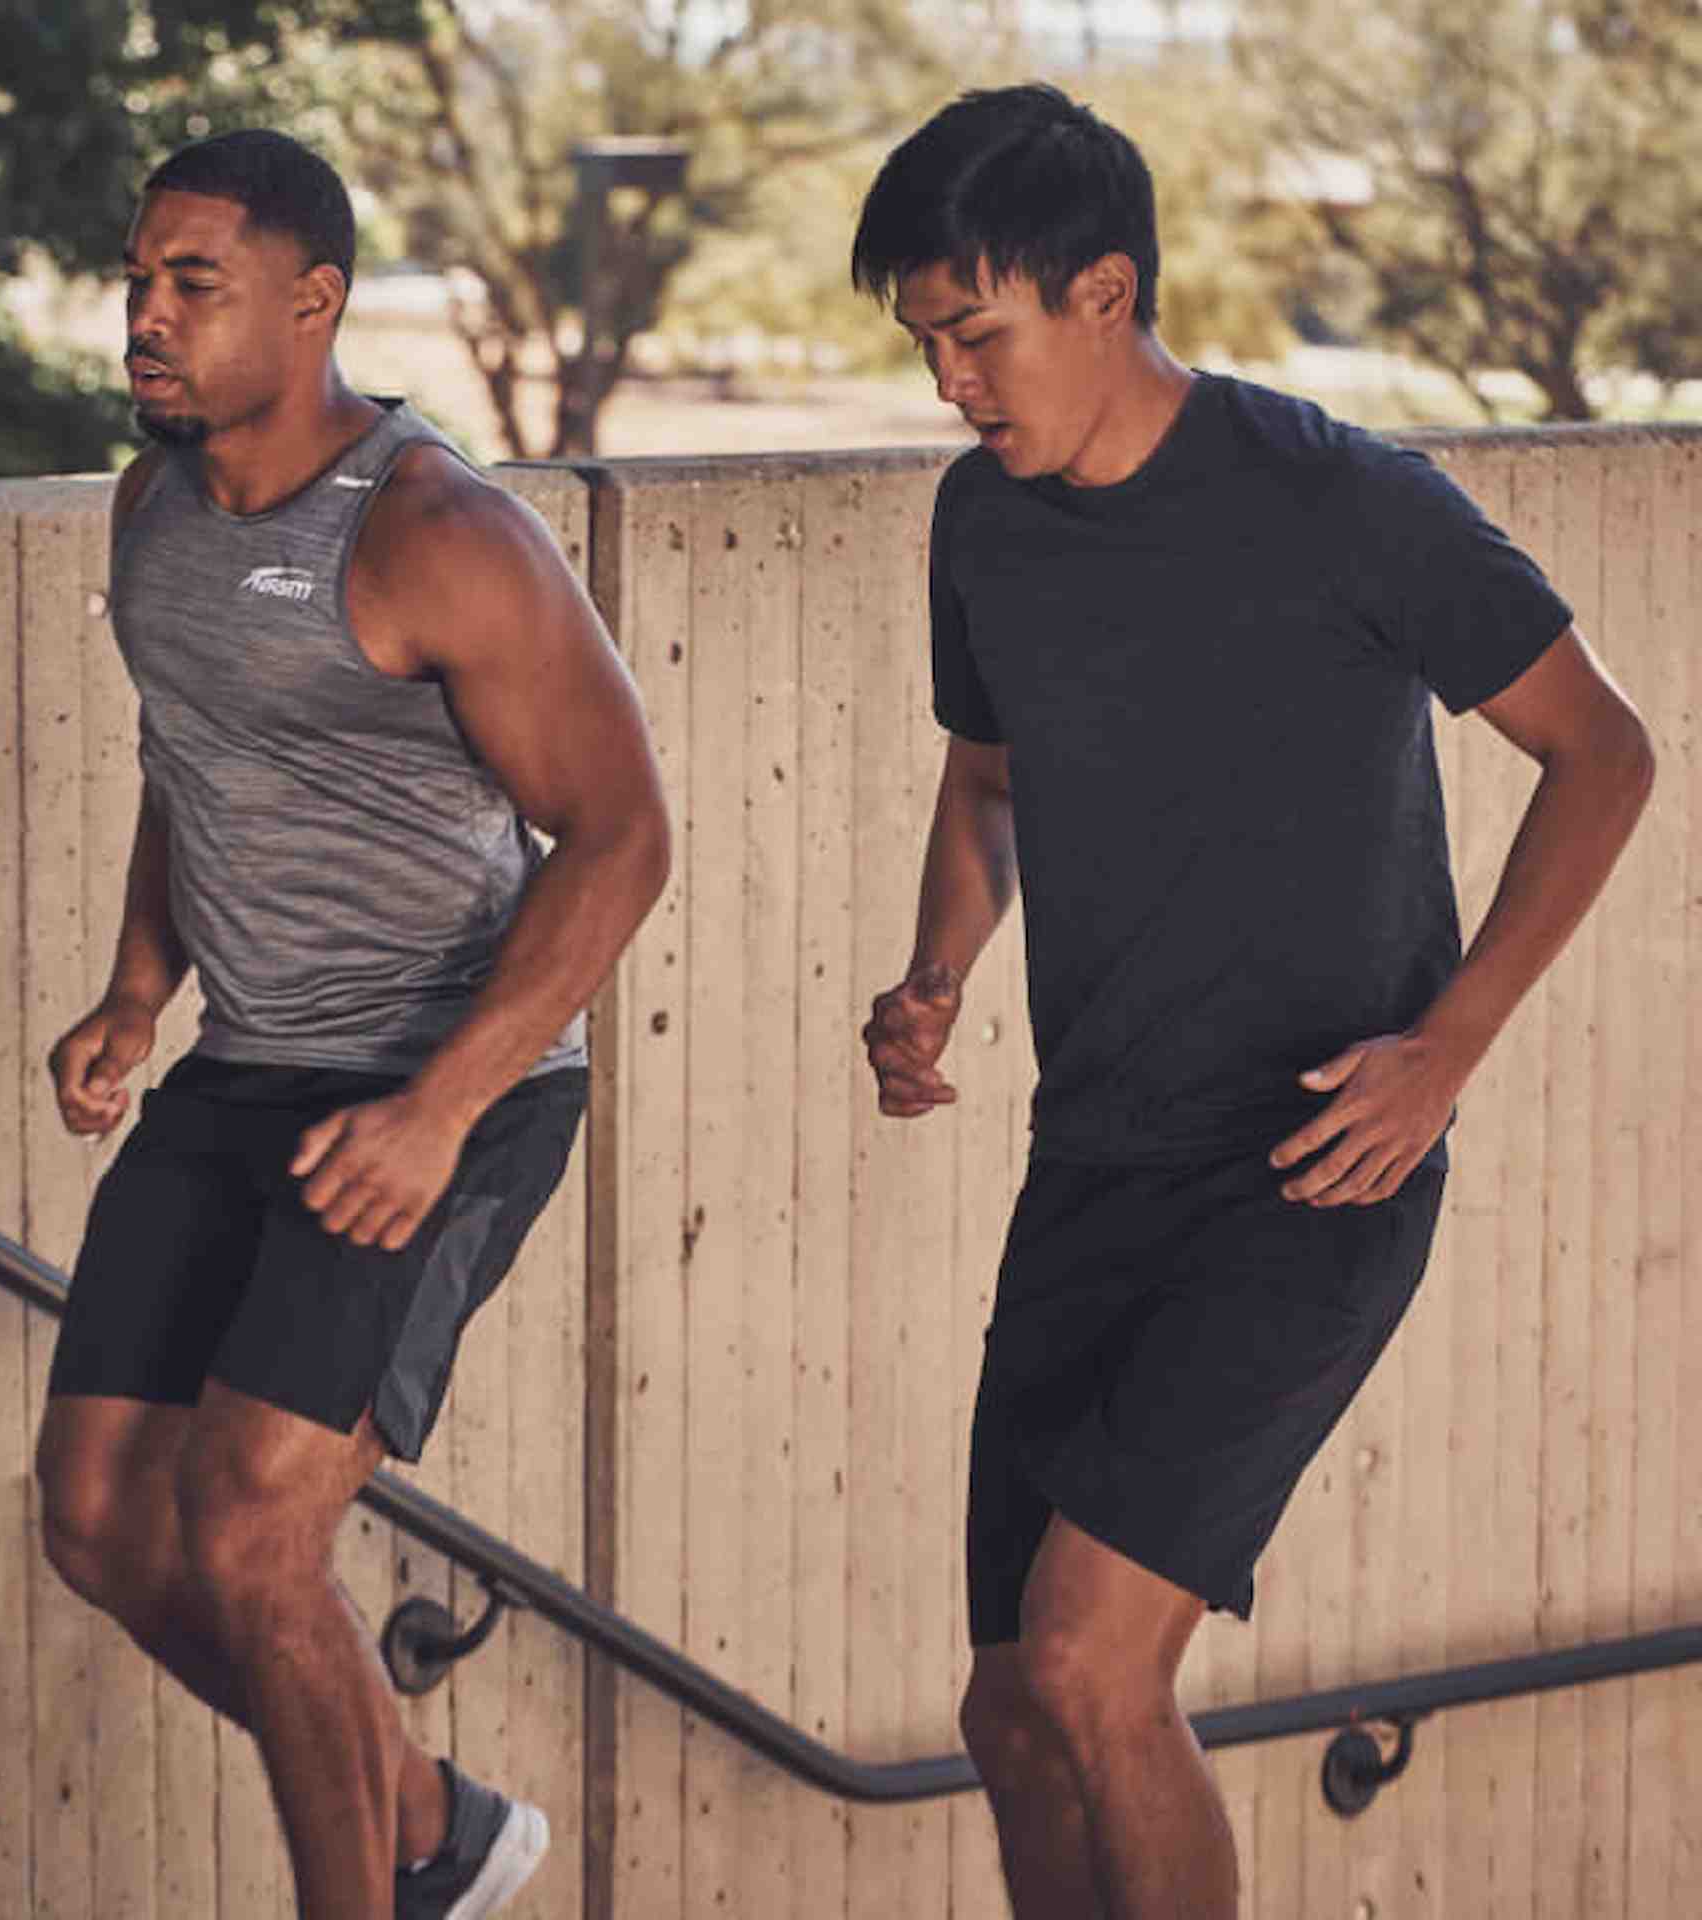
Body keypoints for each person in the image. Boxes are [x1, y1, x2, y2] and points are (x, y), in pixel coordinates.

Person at [852, 84, 1654, 1920]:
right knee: (1002, 1705)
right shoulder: (982, 525)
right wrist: (937, 977)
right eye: (925, 346)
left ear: (1106, 291)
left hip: (1314, 1163)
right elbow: (988, 780)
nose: (953, 385)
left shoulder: (1345, 500)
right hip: (1094, 1159)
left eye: (976, 334)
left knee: (1086, 1666)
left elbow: (1603, 755)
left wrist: (1449, 1046)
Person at [35, 129, 669, 1920]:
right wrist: (138, 988)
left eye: (191, 287)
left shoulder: (437, 531)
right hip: (247, 1069)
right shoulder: (149, 508)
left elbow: (624, 839)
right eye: (136, 281)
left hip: (442, 1081)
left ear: (310, 305)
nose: (144, 320)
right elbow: (203, 759)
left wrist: (439, 1109)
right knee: (96, 1515)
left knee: (248, 1526)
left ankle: (372, 1895)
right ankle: (429, 1825)